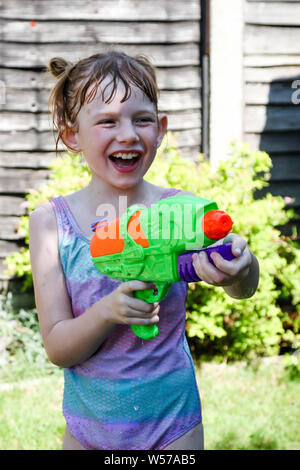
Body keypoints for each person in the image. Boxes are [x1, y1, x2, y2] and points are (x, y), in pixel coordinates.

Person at [29, 51, 259, 450]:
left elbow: (242, 286)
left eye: (142, 119)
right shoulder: (52, 222)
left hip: (174, 427)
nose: (129, 135)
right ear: (72, 135)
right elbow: (58, 348)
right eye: (107, 121)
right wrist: (106, 312)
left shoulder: (182, 212)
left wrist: (241, 269)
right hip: (87, 433)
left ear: (161, 128)